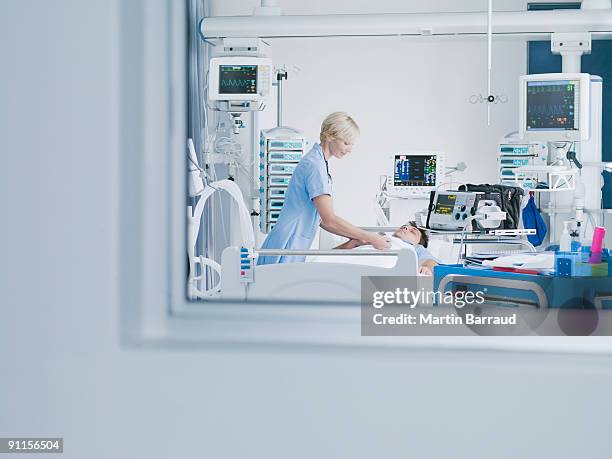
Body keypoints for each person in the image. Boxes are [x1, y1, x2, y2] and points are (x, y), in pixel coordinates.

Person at [258, 112, 391, 265]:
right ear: (329, 136)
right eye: (346, 143)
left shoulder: (318, 162)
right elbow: (329, 220)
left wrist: (354, 242)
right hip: (287, 243)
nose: (349, 150)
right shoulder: (315, 167)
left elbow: (320, 219)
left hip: (291, 241)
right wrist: (371, 237)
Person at [335, 221, 439, 275]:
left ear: (417, 243)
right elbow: (326, 256)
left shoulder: (414, 248)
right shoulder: (374, 239)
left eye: (413, 231)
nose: (405, 227)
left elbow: (429, 262)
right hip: (344, 269)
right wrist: (352, 244)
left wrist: (427, 269)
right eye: (404, 226)